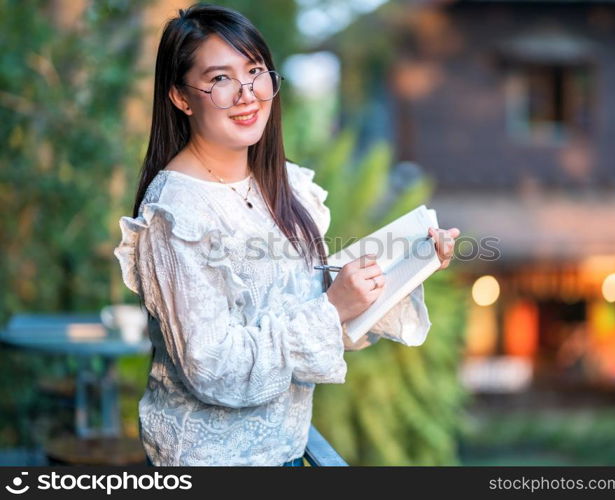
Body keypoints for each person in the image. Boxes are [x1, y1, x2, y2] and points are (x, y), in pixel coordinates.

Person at [113, 2, 459, 466]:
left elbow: (323, 321)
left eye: (254, 71)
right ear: (180, 96)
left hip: (288, 454)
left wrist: (409, 265)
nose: (246, 94)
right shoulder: (176, 214)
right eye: (220, 79)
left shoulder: (284, 186)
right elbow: (211, 368)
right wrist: (333, 308)